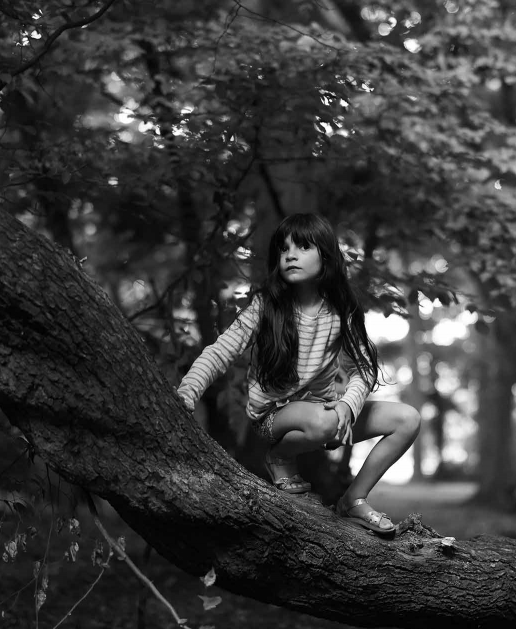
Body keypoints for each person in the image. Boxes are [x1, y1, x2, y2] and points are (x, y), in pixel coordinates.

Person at [177, 213, 421, 536]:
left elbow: (363, 370)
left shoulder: (340, 311)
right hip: (275, 418)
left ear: (326, 255)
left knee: (408, 419)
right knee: (323, 421)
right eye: (284, 248)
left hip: (327, 413)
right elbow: (220, 352)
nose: (290, 254)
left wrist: (348, 405)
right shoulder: (265, 307)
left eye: (302, 247)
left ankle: (354, 498)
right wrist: (187, 392)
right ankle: (278, 456)